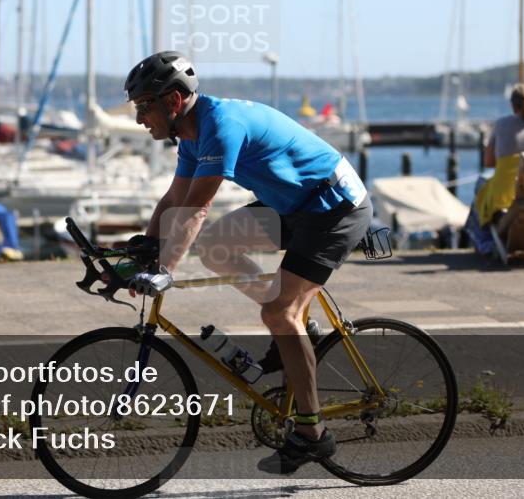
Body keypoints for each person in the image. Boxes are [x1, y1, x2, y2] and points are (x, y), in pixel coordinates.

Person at [123, 51, 373, 474]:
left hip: (334, 208)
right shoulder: (192, 135)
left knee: (277, 313)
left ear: (173, 101)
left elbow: (197, 209)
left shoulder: (221, 126)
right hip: (293, 205)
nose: (138, 118)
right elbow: (174, 200)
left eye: (144, 106)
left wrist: (164, 271)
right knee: (215, 246)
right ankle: (302, 329)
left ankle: (312, 433)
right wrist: (142, 254)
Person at [474, 83, 524, 227]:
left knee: (480, 187)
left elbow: (488, 162)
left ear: (513, 105)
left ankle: (484, 238)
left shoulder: (501, 124)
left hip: (506, 197)